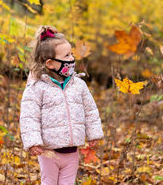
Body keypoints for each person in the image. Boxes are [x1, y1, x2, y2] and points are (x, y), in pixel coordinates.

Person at [19, 25, 104, 185]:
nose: (71, 58)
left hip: (72, 151)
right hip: (49, 152)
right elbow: (29, 116)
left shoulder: (78, 85)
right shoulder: (37, 87)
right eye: (66, 56)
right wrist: (33, 141)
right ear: (50, 63)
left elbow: (90, 111)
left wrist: (94, 134)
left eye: (71, 54)